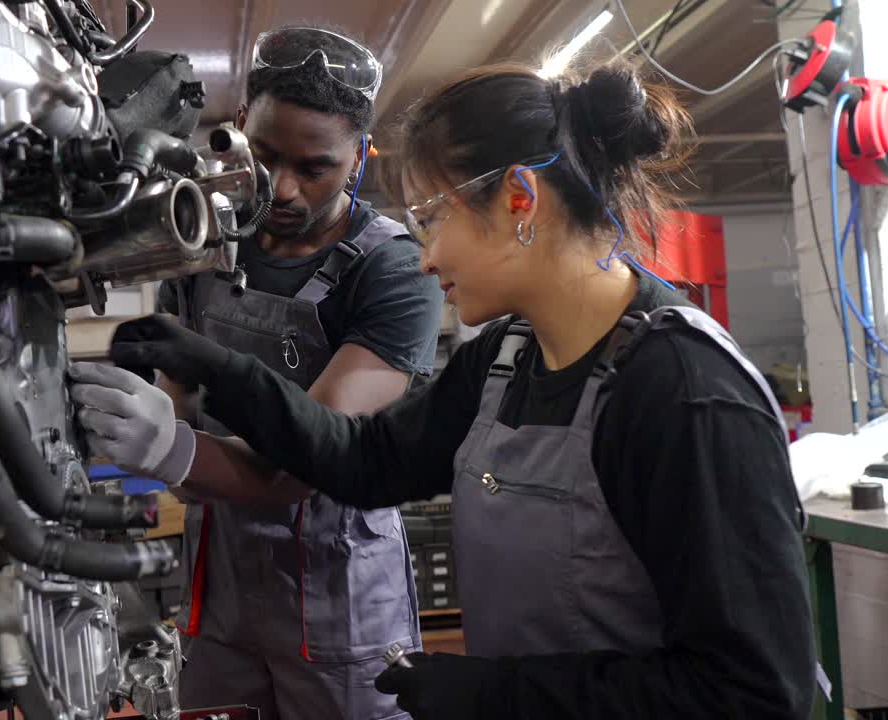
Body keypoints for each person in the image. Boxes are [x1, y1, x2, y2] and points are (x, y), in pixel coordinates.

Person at [97, 59, 819, 719]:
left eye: (432, 218)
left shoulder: (683, 394)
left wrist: (490, 694)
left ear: (519, 198)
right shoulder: (506, 359)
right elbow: (365, 460)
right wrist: (221, 370)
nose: (425, 256)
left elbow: (751, 692)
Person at [70, 25, 443, 720]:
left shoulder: (395, 272)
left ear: (360, 156)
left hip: (339, 593)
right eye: (265, 156)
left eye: (316, 167)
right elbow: (177, 402)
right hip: (222, 582)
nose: (285, 189)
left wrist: (169, 448)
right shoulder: (203, 240)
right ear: (239, 123)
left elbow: (317, 458)